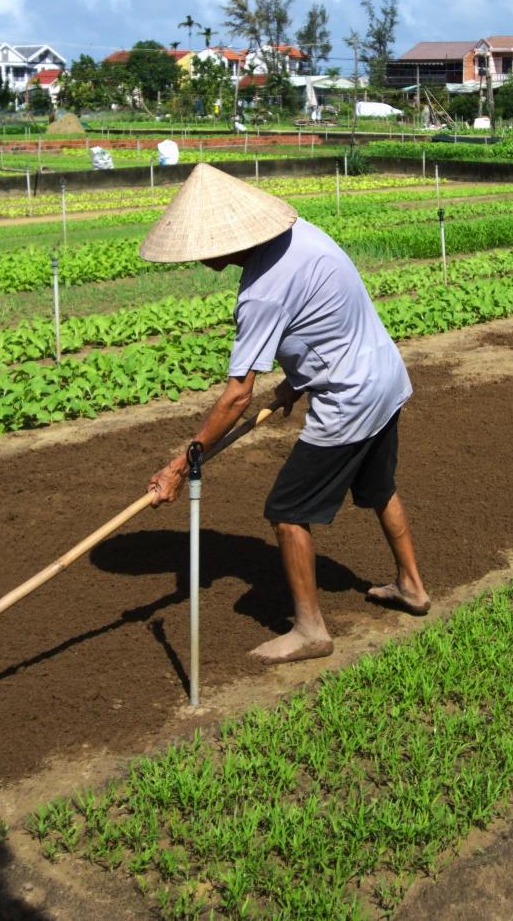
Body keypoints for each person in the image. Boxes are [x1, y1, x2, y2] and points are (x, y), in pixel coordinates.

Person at [143, 164, 428, 664]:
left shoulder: (260, 292)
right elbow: (327, 316)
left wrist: (181, 463)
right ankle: (412, 587)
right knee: (379, 488)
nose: (200, 256)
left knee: (288, 511)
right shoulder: (303, 233)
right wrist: (296, 382)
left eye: (204, 245)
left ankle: (310, 631)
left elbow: (236, 396)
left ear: (227, 241)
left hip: (350, 398)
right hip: (384, 376)